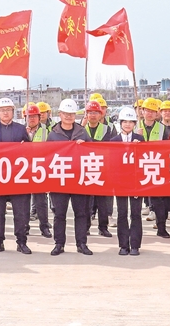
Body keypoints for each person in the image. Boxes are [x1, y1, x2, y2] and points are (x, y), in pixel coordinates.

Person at [0, 98, 32, 255]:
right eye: (2, 110)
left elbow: (30, 151)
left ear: (13, 112)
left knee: (20, 212)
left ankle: (21, 242)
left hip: (17, 178)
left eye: (8, 110)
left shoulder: (21, 129)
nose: (5, 113)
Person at [47, 99, 91, 255]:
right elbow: (47, 156)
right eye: (65, 113)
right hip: (59, 179)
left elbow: (93, 153)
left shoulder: (82, 132)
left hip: (79, 179)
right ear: (60, 114)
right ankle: (59, 244)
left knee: (81, 213)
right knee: (59, 214)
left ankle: (81, 244)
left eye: (71, 114)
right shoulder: (53, 134)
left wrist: (84, 146)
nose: (68, 116)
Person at [81, 100, 118, 239]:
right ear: (86, 114)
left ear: (100, 114)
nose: (93, 115)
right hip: (86, 169)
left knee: (103, 201)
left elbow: (111, 147)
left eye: (95, 112)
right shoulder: (80, 129)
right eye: (90, 112)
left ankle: (103, 227)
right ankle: (85, 227)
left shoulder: (107, 129)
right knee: (86, 202)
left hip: (103, 169)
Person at [138, 98, 170, 238]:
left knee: (158, 200)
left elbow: (167, 148)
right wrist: (136, 137)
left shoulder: (162, 128)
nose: (150, 113)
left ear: (157, 113)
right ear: (142, 111)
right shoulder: (135, 126)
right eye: (147, 110)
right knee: (135, 202)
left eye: (153, 111)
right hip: (137, 167)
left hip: (155, 166)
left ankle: (161, 228)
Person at [115, 106, 144, 256]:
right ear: (120, 123)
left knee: (136, 213)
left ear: (134, 123)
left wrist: (140, 148)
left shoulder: (140, 139)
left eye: (130, 122)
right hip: (120, 182)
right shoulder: (113, 141)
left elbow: (146, 160)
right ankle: (123, 245)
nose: (127, 124)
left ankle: (135, 245)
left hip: (135, 182)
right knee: (122, 213)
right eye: (125, 121)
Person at [23, 104, 53, 239]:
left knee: (41, 201)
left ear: (39, 117)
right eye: (29, 116)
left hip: (40, 169)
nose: (32, 119)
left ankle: (44, 227)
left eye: (34, 116)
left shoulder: (47, 131)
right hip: (24, 169)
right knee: (24, 201)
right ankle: (24, 227)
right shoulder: (21, 131)